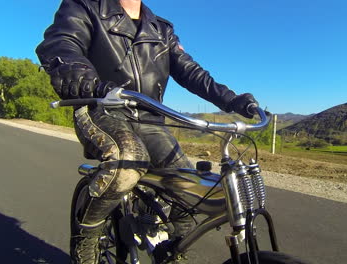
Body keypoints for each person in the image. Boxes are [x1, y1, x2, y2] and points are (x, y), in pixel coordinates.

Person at [36, 0, 258, 263]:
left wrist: (231, 100)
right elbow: (63, 44)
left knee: (188, 191)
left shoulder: (161, 29)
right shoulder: (84, 6)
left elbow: (191, 72)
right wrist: (86, 81)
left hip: (150, 119)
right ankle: (86, 233)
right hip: (101, 109)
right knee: (128, 162)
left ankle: (171, 250)